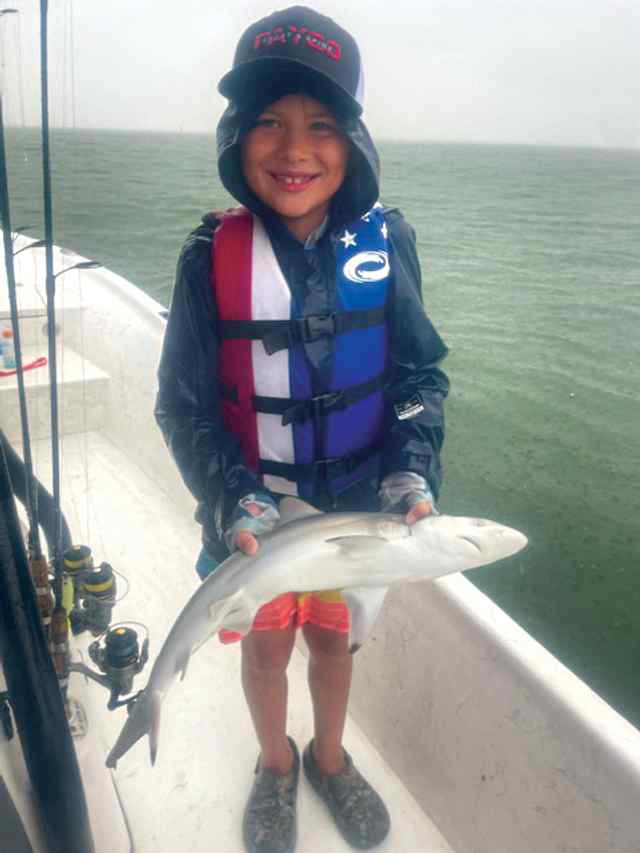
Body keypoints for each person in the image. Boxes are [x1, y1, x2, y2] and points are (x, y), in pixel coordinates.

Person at [155, 6, 449, 852]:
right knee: (263, 649)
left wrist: (409, 471)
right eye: (269, 124)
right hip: (258, 520)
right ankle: (275, 764)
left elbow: (417, 378)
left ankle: (328, 754)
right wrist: (232, 495)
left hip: (360, 509)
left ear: (353, 142)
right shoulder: (207, 254)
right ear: (235, 137)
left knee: (334, 643)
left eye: (321, 126)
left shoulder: (386, 243)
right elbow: (182, 403)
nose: (294, 150)